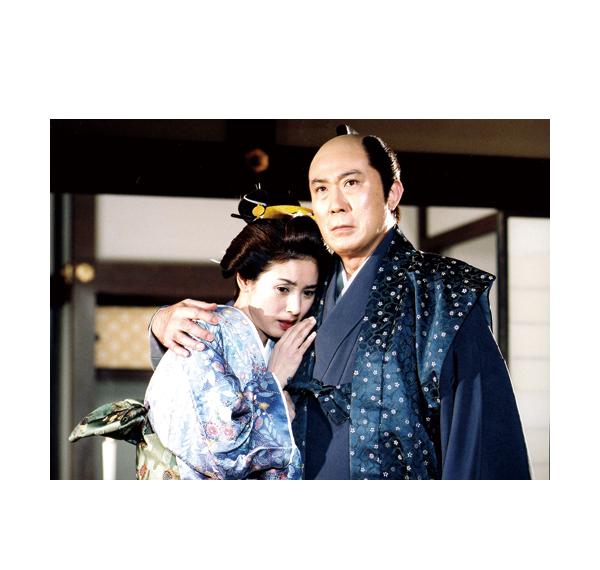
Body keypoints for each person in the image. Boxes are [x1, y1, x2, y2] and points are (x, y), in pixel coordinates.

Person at [149, 128, 531, 480]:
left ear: (392, 193)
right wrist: (163, 323)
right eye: (321, 189)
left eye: (351, 183)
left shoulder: (441, 292)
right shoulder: (308, 284)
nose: (335, 204)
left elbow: (478, 437)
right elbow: (231, 345)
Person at [71, 213, 330, 480]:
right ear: (244, 279)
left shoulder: (288, 342)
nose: (295, 307)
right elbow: (219, 454)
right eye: (283, 289)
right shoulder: (201, 335)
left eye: (308, 292)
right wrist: (273, 384)